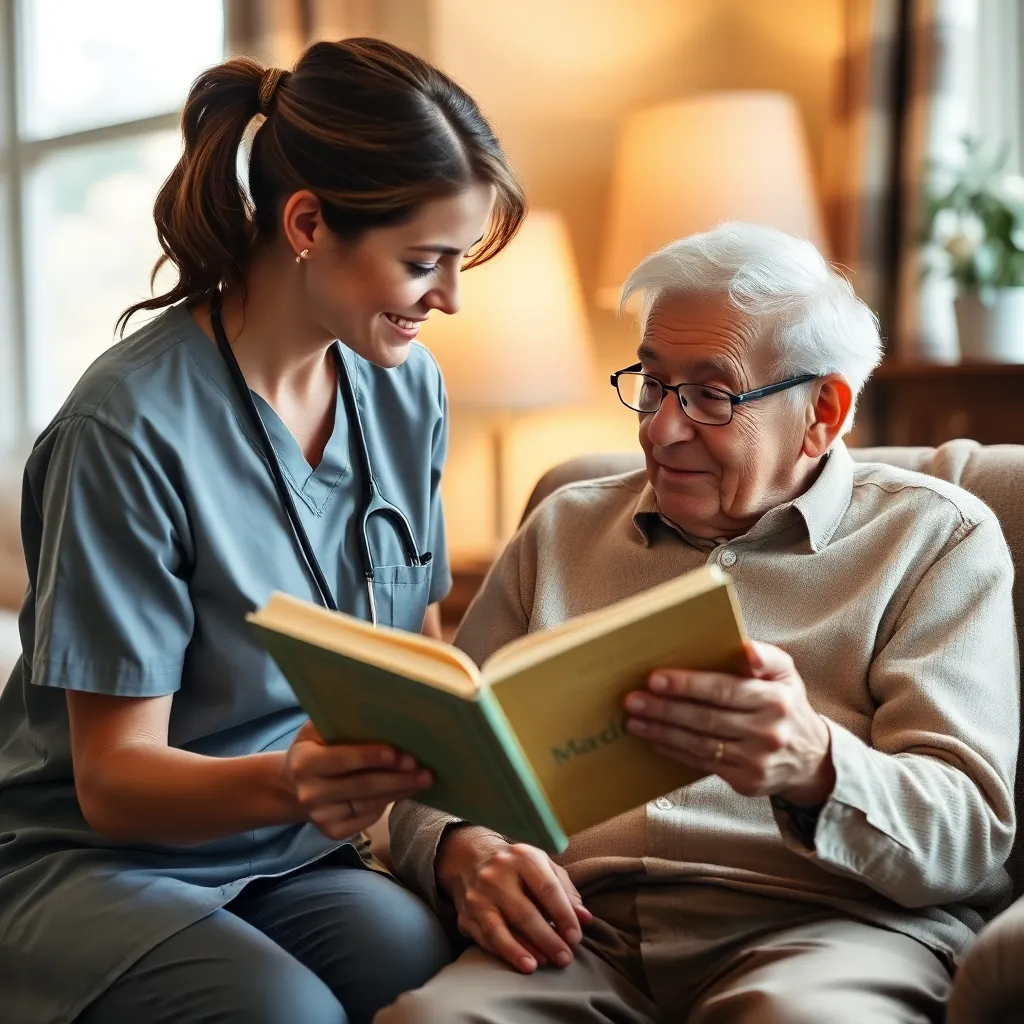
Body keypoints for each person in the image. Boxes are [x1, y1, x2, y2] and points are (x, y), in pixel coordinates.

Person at [0, 37, 525, 1024]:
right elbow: (112, 782)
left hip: (290, 848)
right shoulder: (126, 426)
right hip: (90, 855)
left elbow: (415, 659)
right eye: (423, 262)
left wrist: (464, 828)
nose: (449, 298)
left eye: (459, 262)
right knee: (282, 1011)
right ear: (308, 222)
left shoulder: (406, 390)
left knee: (424, 962)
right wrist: (297, 778)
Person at [382, 223, 1019, 1024]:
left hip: (831, 929)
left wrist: (815, 764)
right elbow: (429, 770)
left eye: (711, 396)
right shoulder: (561, 530)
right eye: (652, 384)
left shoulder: (936, 540)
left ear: (824, 410)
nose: (659, 429)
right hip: (581, 933)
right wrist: (461, 851)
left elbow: (968, 836)